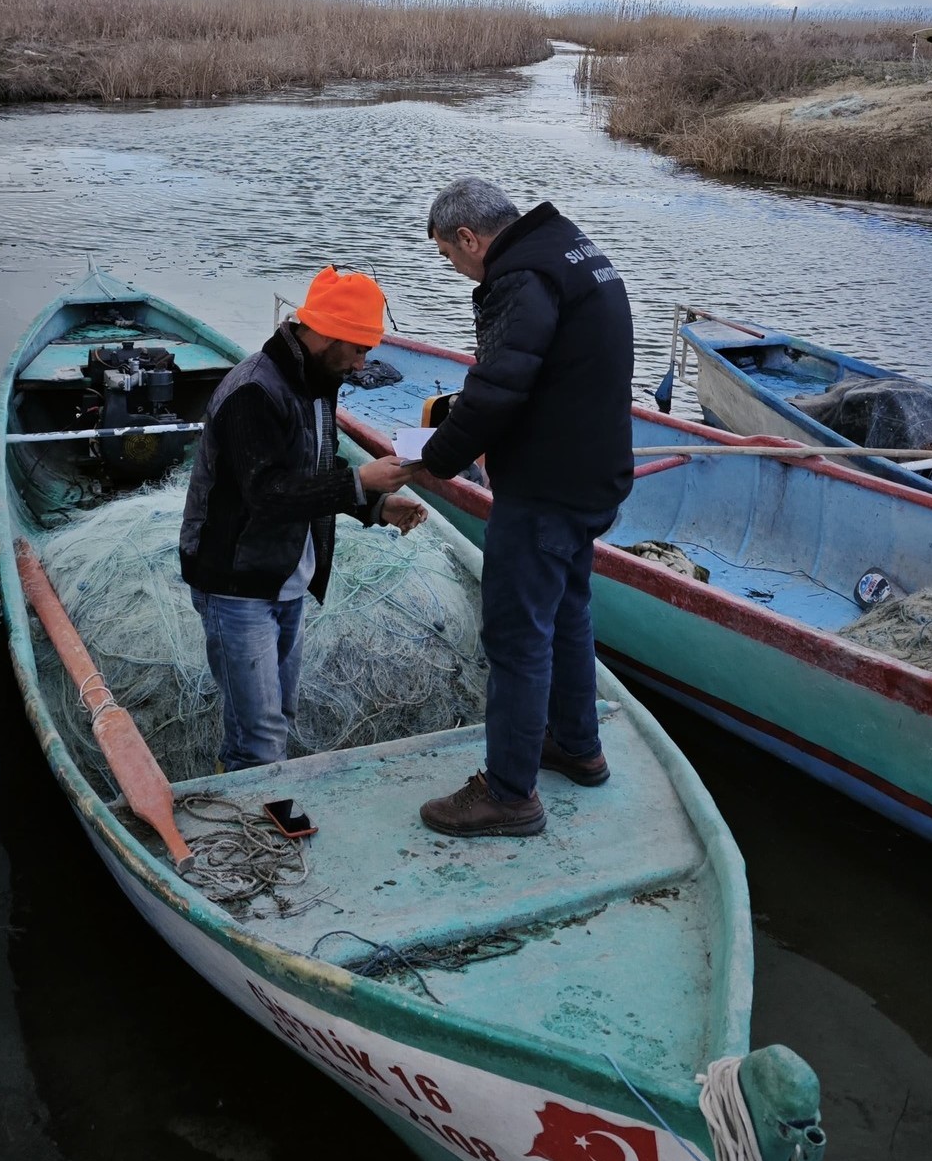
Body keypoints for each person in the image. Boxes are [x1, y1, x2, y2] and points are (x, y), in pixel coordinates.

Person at [415, 177, 634, 836]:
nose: (455, 271)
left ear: (469, 238)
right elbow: (537, 371)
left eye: (450, 258)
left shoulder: (522, 276)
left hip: (544, 489)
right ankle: (576, 743)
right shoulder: (568, 246)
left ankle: (509, 793)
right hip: (591, 476)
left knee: (515, 635)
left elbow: (500, 386)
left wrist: (434, 459)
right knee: (567, 610)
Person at [180, 265, 424, 771]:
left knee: (278, 715)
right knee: (262, 735)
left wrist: (375, 506)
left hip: (285, 578)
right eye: (358, 349)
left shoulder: (315, 379)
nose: (362, 365)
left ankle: (250, 801)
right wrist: (362, 482)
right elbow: (267, 495)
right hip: (236, 584)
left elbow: (313, 469)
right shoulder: (255, 391)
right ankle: (260, 834)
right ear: (325, 335)